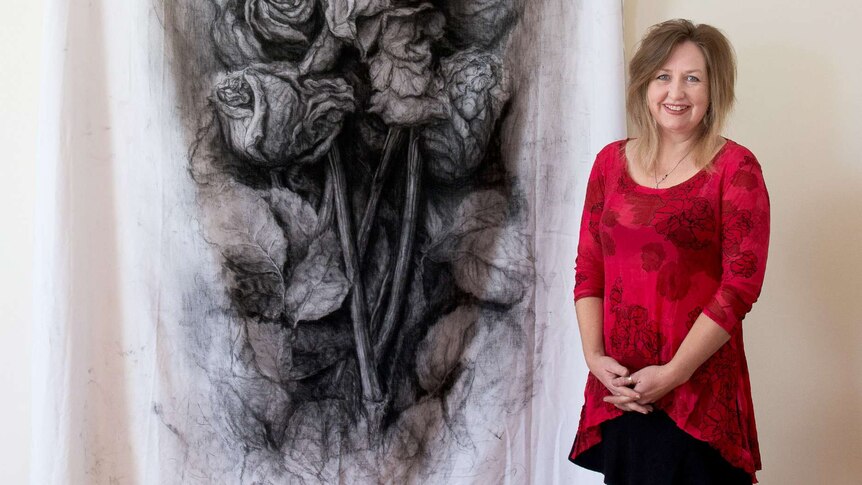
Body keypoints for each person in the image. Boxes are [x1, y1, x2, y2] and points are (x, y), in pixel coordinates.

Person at [568, 19, 769, 485]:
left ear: (713, 89)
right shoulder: (609, 164)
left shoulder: (735, 169)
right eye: (663, 75)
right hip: (621, 392)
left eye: (692, 78)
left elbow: (740, 284)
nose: (676, 91)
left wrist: (674, 373)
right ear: (644, 84)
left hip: (697, 395)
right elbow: (589, 268)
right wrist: (595, 359)